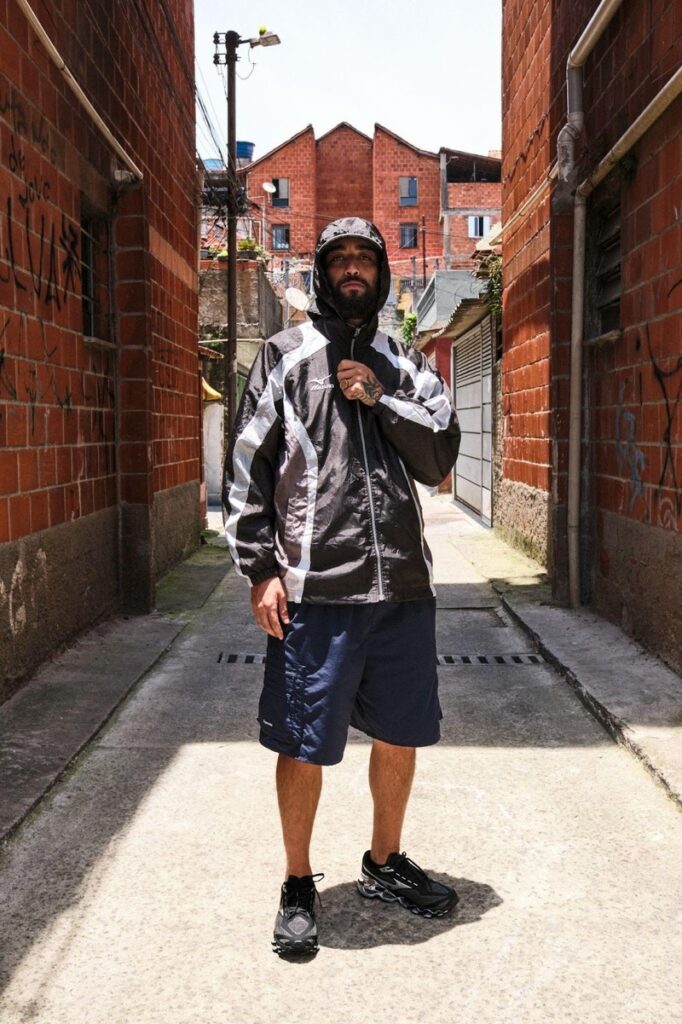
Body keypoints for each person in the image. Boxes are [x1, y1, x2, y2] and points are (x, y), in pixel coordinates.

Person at [223, 217, 461, 956]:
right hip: (315, 587)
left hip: (402, 586)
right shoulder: (285, 355)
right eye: (340, 259)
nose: (353, 269)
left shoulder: (404, 360)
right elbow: (247, 468)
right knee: (303, 740)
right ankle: (298, 881)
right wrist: (261, 569)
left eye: (365, 258)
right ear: (322, 272)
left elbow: (440, 456)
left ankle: (384, 862)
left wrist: (380, 398)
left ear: (382, 273)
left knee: (400, 731)